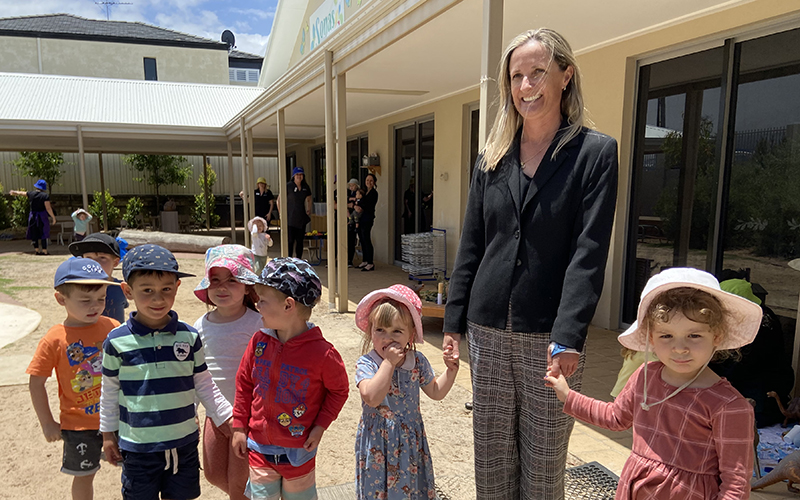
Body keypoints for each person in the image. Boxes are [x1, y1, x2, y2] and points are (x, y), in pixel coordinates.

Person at [442, 28, 619, 499]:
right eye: (516, 76)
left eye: (538, 72)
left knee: (543, 470)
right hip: (487, 330)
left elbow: (589, 252)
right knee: (491, 465)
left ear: (566, 75)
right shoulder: (492, 157)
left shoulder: (595, 153)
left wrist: (569, 335)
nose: (526, 86)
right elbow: (472, 243)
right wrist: (453, 321)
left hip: (549, 335)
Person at [545, 267, 762, 499]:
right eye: (666, 335)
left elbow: (735, 485)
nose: (680, 348)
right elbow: (615, 417)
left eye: (694, 335)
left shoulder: (730, 407)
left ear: (716, 337)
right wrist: (568, 396)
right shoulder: (645, 376)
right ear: (651, 338)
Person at [100, 244, 233, 500]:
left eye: (166, 290)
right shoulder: (116, 341)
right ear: (128, 291)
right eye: (147, 290)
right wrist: (107, 434)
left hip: (184, 443)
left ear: (177, 287)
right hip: (138, 448)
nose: (158, 299)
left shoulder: (189, 336)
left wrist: (228, 418)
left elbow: (204, 384)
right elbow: (109, 393)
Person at [232, 258, 349, 500]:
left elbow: (339, 391)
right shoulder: (259, 343)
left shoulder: (323, 353)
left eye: (262, 300)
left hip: (299, 452)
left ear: (288, 305)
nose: (257, 305)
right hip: (259, 449)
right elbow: (244, 383)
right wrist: (239, 427)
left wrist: (320, 426)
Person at [26, 258, 120, 500]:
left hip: (119, 419)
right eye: (85, 300)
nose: (95, 306)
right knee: (84, 475)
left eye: (101, 298)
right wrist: (47, 422)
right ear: (61, 299)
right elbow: (36, 382)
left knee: (134, 469)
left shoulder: (113, 327)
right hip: (79, 426)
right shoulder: (54, 339)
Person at [354, 285, 459, 499]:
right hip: (378, 445)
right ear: (370, 331)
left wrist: (451, 371)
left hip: (410, 444)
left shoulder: (416, 362)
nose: (387, 338)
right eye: (380, 330)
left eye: (397, 331)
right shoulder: (368, 363)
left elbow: (436, 391)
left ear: (411, 335)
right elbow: (371, 397)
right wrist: (388, 364)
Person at [193, 245, 264, 500]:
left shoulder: (259, 323)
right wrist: (193, 410)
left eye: (232, 280)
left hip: (248, 416)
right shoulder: (199, 326)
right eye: (215, 280)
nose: (222, 287)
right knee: (213, 474)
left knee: (239, 483)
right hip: (214, 413)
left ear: (247, 287)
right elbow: (194, 372)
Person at [69, 233, 129, 323]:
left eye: (102, 257)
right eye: (88, 258)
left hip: (116, 331)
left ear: (115, 262)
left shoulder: (120, 287)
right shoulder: (77, 288)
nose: (94, 263)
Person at [10, 179, 56, 255]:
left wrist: (15, 192)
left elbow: (22, 193)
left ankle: (37, 250)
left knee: (34, 232)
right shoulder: (45, 196)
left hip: (33, 216)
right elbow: (48, 208)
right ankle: (44, 251)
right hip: (42, 216)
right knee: (44, 233)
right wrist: (53, 217)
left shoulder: (31, 194)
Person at [277, 167, 312, 259]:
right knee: (290, 241)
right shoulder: (288, 186)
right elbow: (279, 200)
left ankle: (298, 259)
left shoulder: (305, 187)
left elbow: (309, 198)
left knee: (300, 241)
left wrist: (309, 208)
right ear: (293, 176)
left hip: (301, 218)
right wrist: (281, 214)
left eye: (301, 174)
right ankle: (289, 259)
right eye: (297, 175)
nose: (299, 176)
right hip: (290, 218)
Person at [355, 173, 378, 272]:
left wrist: (360, 206)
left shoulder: (374, 193)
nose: (369, 182)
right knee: (362, 239)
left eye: (371, 180)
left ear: (374, 182)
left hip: (368, 218)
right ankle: (364, 260)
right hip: (361, 218)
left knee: (367, 239)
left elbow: (368, 205)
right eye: (367, 180)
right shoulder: (364, 192)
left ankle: (370, 263)